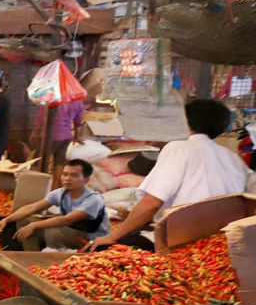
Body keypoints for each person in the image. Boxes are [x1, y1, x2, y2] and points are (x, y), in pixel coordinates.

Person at [88, 99, 250, 251]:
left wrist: (112, 237)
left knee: (102, 249)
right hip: (221, 240)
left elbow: (152, 203)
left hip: (182, 239)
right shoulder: (232, 157)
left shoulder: (178, 148)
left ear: (185, 122)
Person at [0, 159, 110, 251]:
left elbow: (67, 219)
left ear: (86, 179)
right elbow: (33, 207)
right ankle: (32, 257)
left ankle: (53, 262)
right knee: (24, 221)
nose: (67, 179)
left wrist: (35, 225)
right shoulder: (60, 193)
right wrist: (7, 219)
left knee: (53, 231)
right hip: (71, 230)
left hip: (92, 238)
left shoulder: (93, 199)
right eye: (65, 174)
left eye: (74, 175)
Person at [46, 100, 85, 187]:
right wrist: (77, 137)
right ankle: (54, 191)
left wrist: (35, 131)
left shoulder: (53, 98)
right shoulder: (78, 102)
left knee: (40, 162)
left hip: (50, 135)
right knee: (59, 164)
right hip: (66, 136)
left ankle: (38, 191)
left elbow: (41, 117)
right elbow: (78, 121)